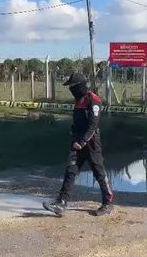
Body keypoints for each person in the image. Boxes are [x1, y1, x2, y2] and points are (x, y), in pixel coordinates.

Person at [43, 73, 114, 217]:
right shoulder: (78, 101)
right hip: (76, 142)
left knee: (99, 172)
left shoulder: (93, 100)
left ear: (80, 85)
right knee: (71, 171)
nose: (70, 89)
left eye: (72, 86)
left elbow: (93, 125)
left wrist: (82, 141)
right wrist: (74, 133)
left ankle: (108, 203)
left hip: (91, 143)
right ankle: (61, 202)